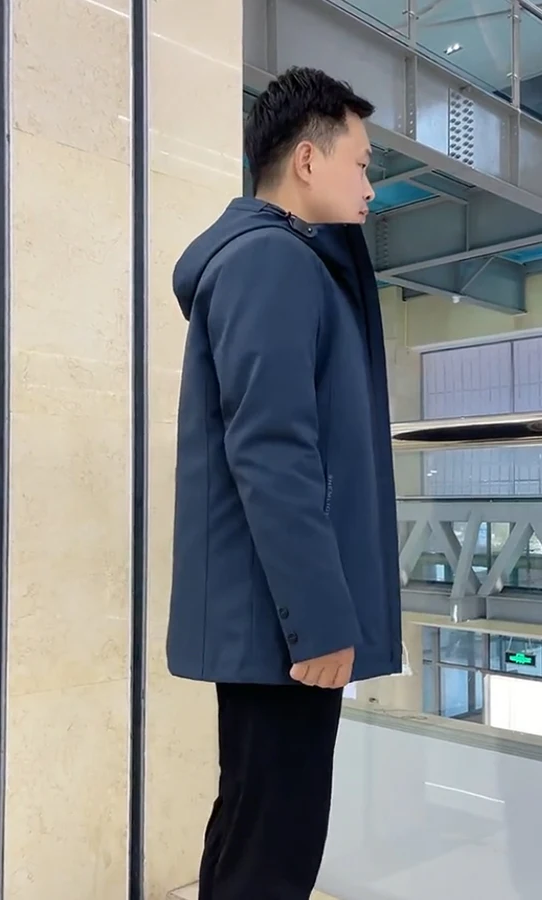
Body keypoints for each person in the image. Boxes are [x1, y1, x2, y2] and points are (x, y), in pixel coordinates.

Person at [166, 66, 402, 900]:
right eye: (361, 163)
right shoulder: (275, 262)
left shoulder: (278, 260)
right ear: (308, 159)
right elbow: (272, 451)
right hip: (285, 625)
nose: (369, 185)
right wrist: (321, 623)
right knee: (273, 850)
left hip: (272, 616)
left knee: (253, 828)